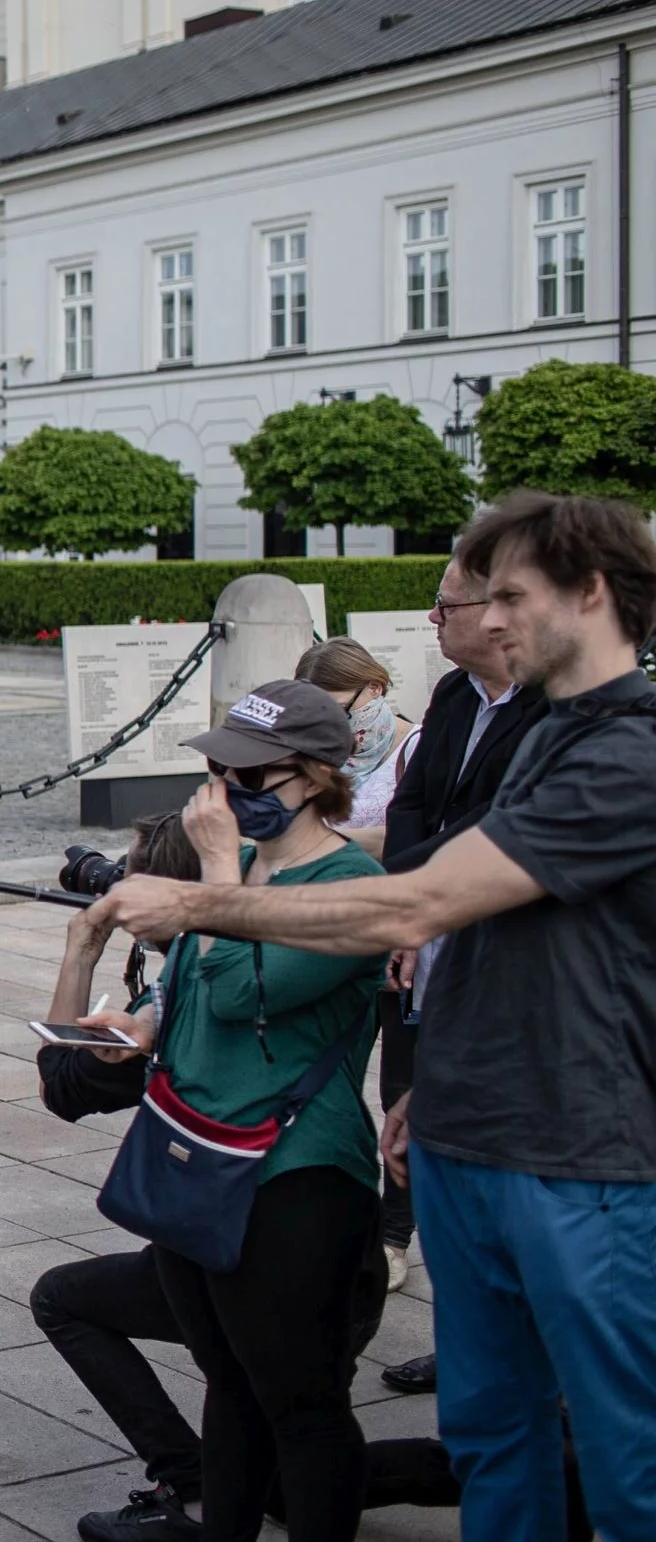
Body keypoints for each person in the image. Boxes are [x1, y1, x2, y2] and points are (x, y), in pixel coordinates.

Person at [87, 492, 656, 1539]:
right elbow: (483, 938)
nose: (484, 620)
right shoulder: (526, 730)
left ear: (591, 594)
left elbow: (416, 901)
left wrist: (199, 897)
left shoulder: (626, 750)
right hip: (469, 1133)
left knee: (626, 1463)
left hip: (580, 1159)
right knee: (491, 1430)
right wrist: (432, 1086)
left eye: (509, 597)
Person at [69, 680, 390, 1542]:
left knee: (301, 1401)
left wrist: (213, 877)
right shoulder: (246, 865)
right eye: (217, 769)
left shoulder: (353, 882)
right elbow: (188, 992)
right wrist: (137, 1026)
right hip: (199, 1157)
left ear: (318, 776)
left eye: (249, 776)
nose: (224, 791)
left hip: (296, 1174)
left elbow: (256, 992)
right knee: (230, 1384)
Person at [368, 556, 547, 1361]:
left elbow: (490, 825)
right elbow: (415, 803)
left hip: (496, 962)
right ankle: (459, 1321)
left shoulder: (560, 713)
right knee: (408, 1100)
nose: (433, 620)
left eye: (446, 606)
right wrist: (406, 911)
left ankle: (506, 1347)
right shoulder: (451, 693)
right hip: (426, 941)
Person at [293, 637, 414, 838]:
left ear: (375, 687)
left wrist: (321, 843)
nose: (328, 722)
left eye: (337, 709)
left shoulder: (422, 747)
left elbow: (427, 834)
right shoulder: (310, 750)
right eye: (316, 712)